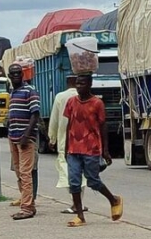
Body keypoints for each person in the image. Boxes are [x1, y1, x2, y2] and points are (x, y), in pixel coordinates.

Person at [62, 73, 123, 227]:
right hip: (73, 148)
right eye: (77, 83)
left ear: (89, 85)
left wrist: (105, 150)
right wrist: (66, 146)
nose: (79, 86)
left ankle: (114, 199)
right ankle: (80, 215)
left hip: (91, 148)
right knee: (74, 182)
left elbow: (103, 126)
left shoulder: (97, 103)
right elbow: (69, 125)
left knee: (93, 181)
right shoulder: (71, 102)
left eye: (82, 83)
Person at [6, 63, 41, 220]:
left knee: (26, 174)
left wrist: (26, 136)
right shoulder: (13, 92)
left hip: (25, 138)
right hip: (13, 137)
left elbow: (35, 115)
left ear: (23, 74)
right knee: (19, 173)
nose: (15, 76)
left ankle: (26, 208)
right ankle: (29, 204)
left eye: (18, 73)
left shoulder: (30, 91)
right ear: (9, 76)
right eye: (12, 73)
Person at [47, 75, 86, 213]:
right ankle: (80, 201)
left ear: (67, 82)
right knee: (81, 171)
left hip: (66, 139)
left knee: (68, 171)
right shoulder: (85, 96)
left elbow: (54, 120)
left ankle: (76, 204)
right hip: (84, 139)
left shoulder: (61, 97)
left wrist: (52, 139)